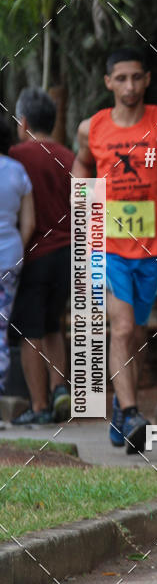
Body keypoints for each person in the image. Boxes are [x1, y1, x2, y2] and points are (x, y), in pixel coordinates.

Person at [72, 47, 157, 454]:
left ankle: (124, 410)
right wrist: (82, 207)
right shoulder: (91, 127)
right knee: (122, 328)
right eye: (120, 78)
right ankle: (130, 411)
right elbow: (81, 166)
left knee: (136, 334)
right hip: (106, 245)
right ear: (108, 82)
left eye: (136, 78)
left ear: (146, 81)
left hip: (152, 247)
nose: (129, 85)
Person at [9, 89, 73, 424]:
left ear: (24, 122)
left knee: (28, 331)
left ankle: (38, 407)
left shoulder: (16, 156)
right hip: (67, 255)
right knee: (52, 326)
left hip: (33, 253)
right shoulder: (70, 157)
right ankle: (59, 389)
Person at [0, 114, 36, 396]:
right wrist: (16, 250)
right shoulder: (17, 171)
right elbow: (29, 223)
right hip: (8, 259)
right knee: (1, 329)